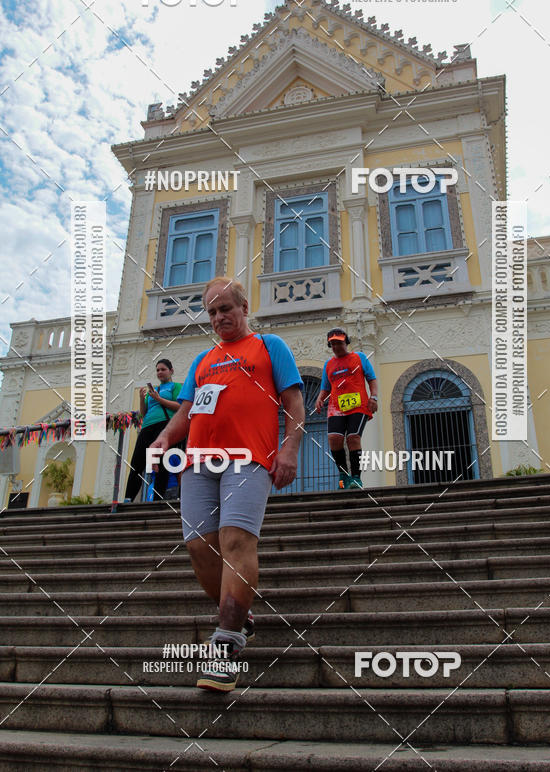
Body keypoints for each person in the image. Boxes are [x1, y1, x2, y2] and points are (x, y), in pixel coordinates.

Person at [149, 276, 304, 691]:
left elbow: (294, 405)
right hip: (198, 461)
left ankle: (227, 642)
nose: (219, 318)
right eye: (212, 312)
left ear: (244, 307)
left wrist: (288, 451)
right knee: (200, 545)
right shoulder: (202, 360)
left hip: (249, 459)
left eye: (226, 309)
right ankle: (240, 613)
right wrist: (167, 437)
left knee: (237, 540)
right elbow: (185, 413)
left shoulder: (270, 347)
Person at [315, 328, 378, 490]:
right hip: (336, 407)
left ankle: (356, 477)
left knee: (353, 437)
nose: (336, 346)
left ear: (346, 342)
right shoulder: (329, 364)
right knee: (334, 439)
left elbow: (372, 379)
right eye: (333, 343)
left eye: (339, 342)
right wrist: (320, 399)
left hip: (359, 405)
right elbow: (325, 387)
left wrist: (374, 397)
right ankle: (343, 475)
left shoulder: (359, 358)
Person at [124, 359, 182, 502]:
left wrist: (159, 399)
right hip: (147, 426)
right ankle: (128, 498)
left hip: (165, 426)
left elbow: (180, 407)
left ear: (171, 371)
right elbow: (144, 413)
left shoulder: (176, 386)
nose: (160, 372)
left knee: (162, 462)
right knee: (137, 462)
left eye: (163, 369)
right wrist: (142, 399)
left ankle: (158, 499)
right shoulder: (153, 390)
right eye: (157, 370)